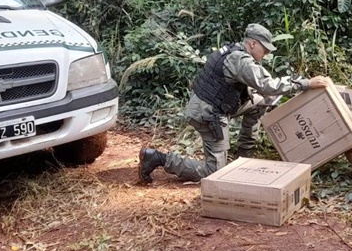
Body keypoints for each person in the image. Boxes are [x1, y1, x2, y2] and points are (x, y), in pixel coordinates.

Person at [138, 23, 329, 183]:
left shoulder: (233, 50)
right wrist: (306, 83)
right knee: (214, 172)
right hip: (207, 115)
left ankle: (244, 157)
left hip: (213, 106)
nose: (266, 54)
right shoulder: (241, 60)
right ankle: (159, 158)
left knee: (261, 102)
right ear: (253, 44)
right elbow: (267, 85)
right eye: (265, 49)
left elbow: (261, 91)